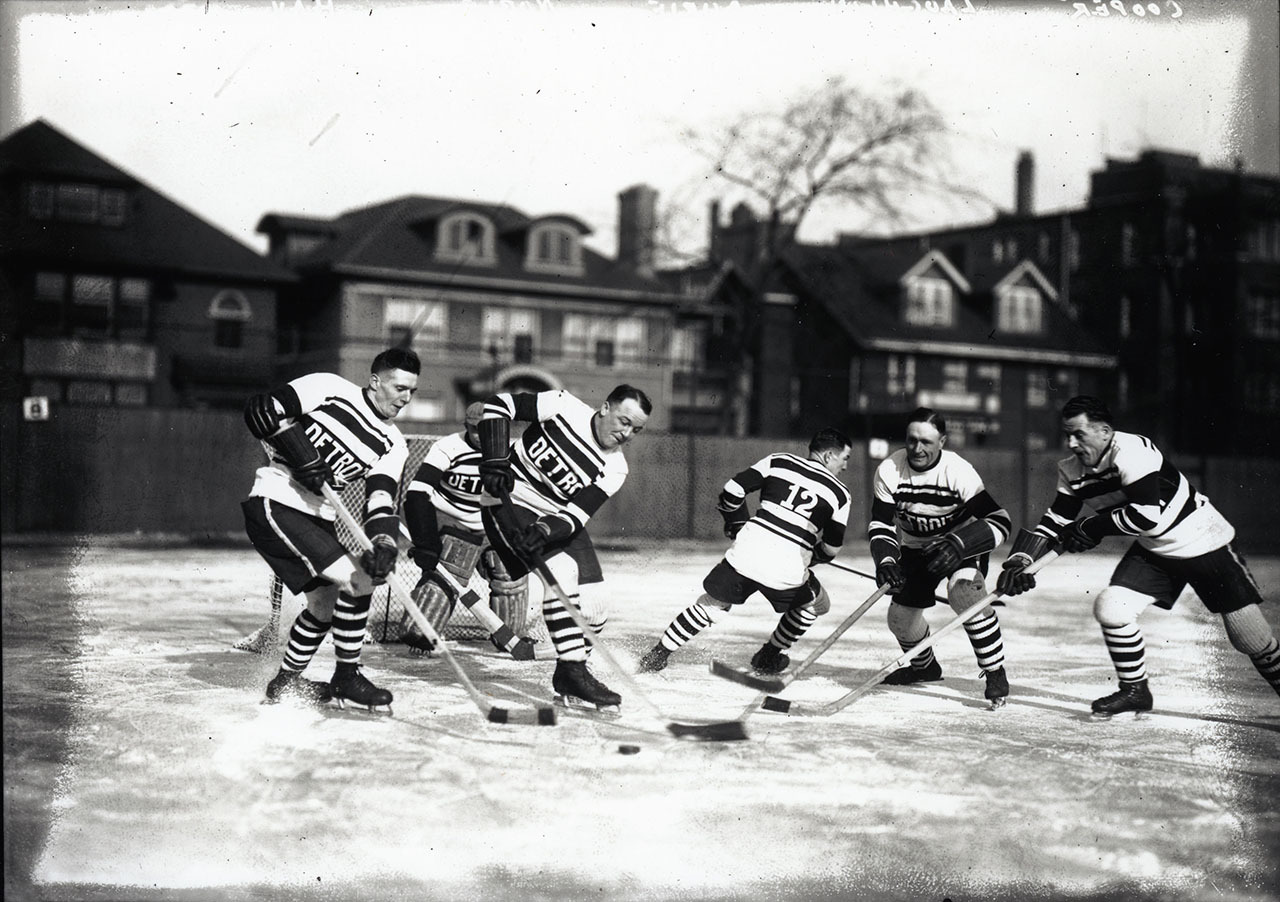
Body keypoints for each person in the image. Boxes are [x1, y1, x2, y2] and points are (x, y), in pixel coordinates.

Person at [997, 395, 1280, 715]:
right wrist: (1020, 560)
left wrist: (1091, 526)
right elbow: (1056, 520)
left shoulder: (1132, 451)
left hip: (1202, 540)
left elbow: (1146, 517)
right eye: (1067, 435)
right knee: (1112, 607)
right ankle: (1135, 691)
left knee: (1251, 640)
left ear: (1104, 431)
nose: (1071, 442)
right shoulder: (1071, 470)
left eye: (1079, 434)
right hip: (1155, 550)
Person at [241, 348, 420, 711]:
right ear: (375, 381)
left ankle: (286, 682)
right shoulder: (329, 388)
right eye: (399, 387)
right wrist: (303, 455)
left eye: (412, 391)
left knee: (324, 604)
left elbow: (381, 499)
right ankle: (347, 675)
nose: (405, 398)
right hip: (278, 499)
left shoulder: (393, 444)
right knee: (357, 580)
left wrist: (384, 542)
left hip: (320, 515)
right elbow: (265, 411)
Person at [477, 383, 652, 710]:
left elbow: (575, 515)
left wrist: (544, 529)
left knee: (597, 605)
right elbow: (498, 405)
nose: (627, 433)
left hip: (553, 517)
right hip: (508, 499)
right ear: (605, 407)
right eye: (624, 421)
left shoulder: (616, 467)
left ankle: (570, 666)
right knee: (563, 570)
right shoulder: (562, 406)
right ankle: (571, 671)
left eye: (636, 430)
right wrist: (496, 458)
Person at [638, 428, 853, 676]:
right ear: (828, 456)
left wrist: (736, 523)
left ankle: (658, 654)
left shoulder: (778, 460)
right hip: (787, 571)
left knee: (711, 605)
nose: (845, 466)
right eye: (844, 458)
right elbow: (831, 549)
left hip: (745, 554)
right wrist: (810, 556)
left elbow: (732, 490)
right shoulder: (841, 493)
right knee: (816, 605)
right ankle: (769, 656)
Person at [868, 408, 1014, 705]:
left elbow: (1000, 520)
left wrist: (960, 544)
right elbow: (881, 524)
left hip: (960, 546)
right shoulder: (889, 470)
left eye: (926, 442)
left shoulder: (958, 471)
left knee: (962, 593)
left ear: (942, 442)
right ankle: (925, 668)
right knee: (899, 619)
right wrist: (885, 560)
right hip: (915, 548)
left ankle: (995, 670)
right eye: (911, 440)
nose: (917, 449)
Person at [400, 402, 534, 659]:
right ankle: (421, 632)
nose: (482, 437)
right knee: (453, 564)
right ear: (466, 427)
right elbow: (418, 493)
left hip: (488, 521)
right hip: (450, 519)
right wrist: (425, 540)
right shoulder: (447, 447)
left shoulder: (509, 452)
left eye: (489, 430)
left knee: (509, 568)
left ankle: (509, 636)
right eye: (475, 430)